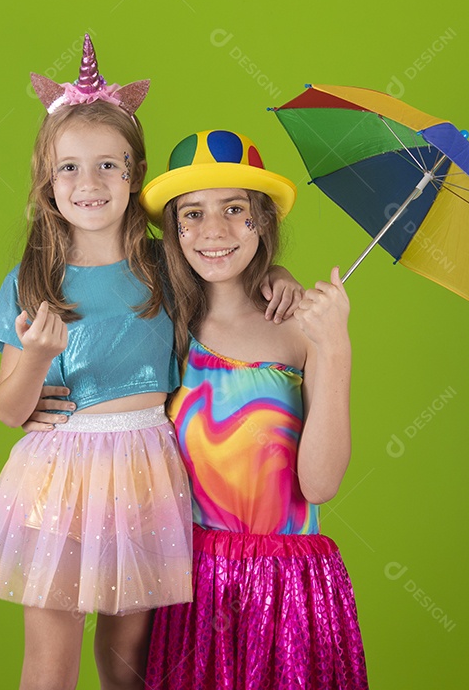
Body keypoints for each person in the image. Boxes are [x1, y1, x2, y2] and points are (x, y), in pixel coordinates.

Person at [0, 39, 300, 690]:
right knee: (49, 654)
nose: (90, 185)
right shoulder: (31, 279)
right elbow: (8, 410)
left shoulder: (164, 263)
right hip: (59, 472)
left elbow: (226, 270)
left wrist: (275, 274)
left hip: (145, 466)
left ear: (135, 174)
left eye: (108, 166)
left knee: (130, 655)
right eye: (70, 169)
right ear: (46, 181)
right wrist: (36, 357)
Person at [139, 130, 368, 689]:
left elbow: (319, 484)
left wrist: (334, 350)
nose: (212, 230)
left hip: (288, 586)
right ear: (172, 231)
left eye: (235, 209)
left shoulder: (301, 330)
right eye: (191, 213)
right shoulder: (163, 324)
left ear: (262, 221)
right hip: (191, 577)